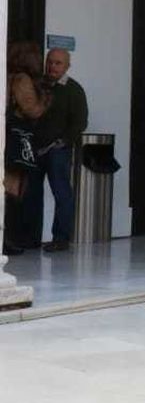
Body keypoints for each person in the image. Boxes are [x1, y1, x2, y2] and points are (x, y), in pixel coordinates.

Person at [28, 48, 89, 252]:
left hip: (58, 151)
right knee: (31, 194)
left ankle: (61, 238)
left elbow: (80, 122)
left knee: (62, 194)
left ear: (67, 66)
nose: (52, 67)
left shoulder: (74, 90)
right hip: (34, 150)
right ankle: (30, 238)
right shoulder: (37, 86)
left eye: (58, 63)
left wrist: (63, 142)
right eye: (50, 62)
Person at [4, 42, 48, 248]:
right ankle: (9, 237)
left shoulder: (7, 75)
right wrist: (46, 100)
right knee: (13, 187)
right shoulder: (22, 79)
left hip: (7, 133)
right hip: (17, 135)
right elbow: (32, 109)